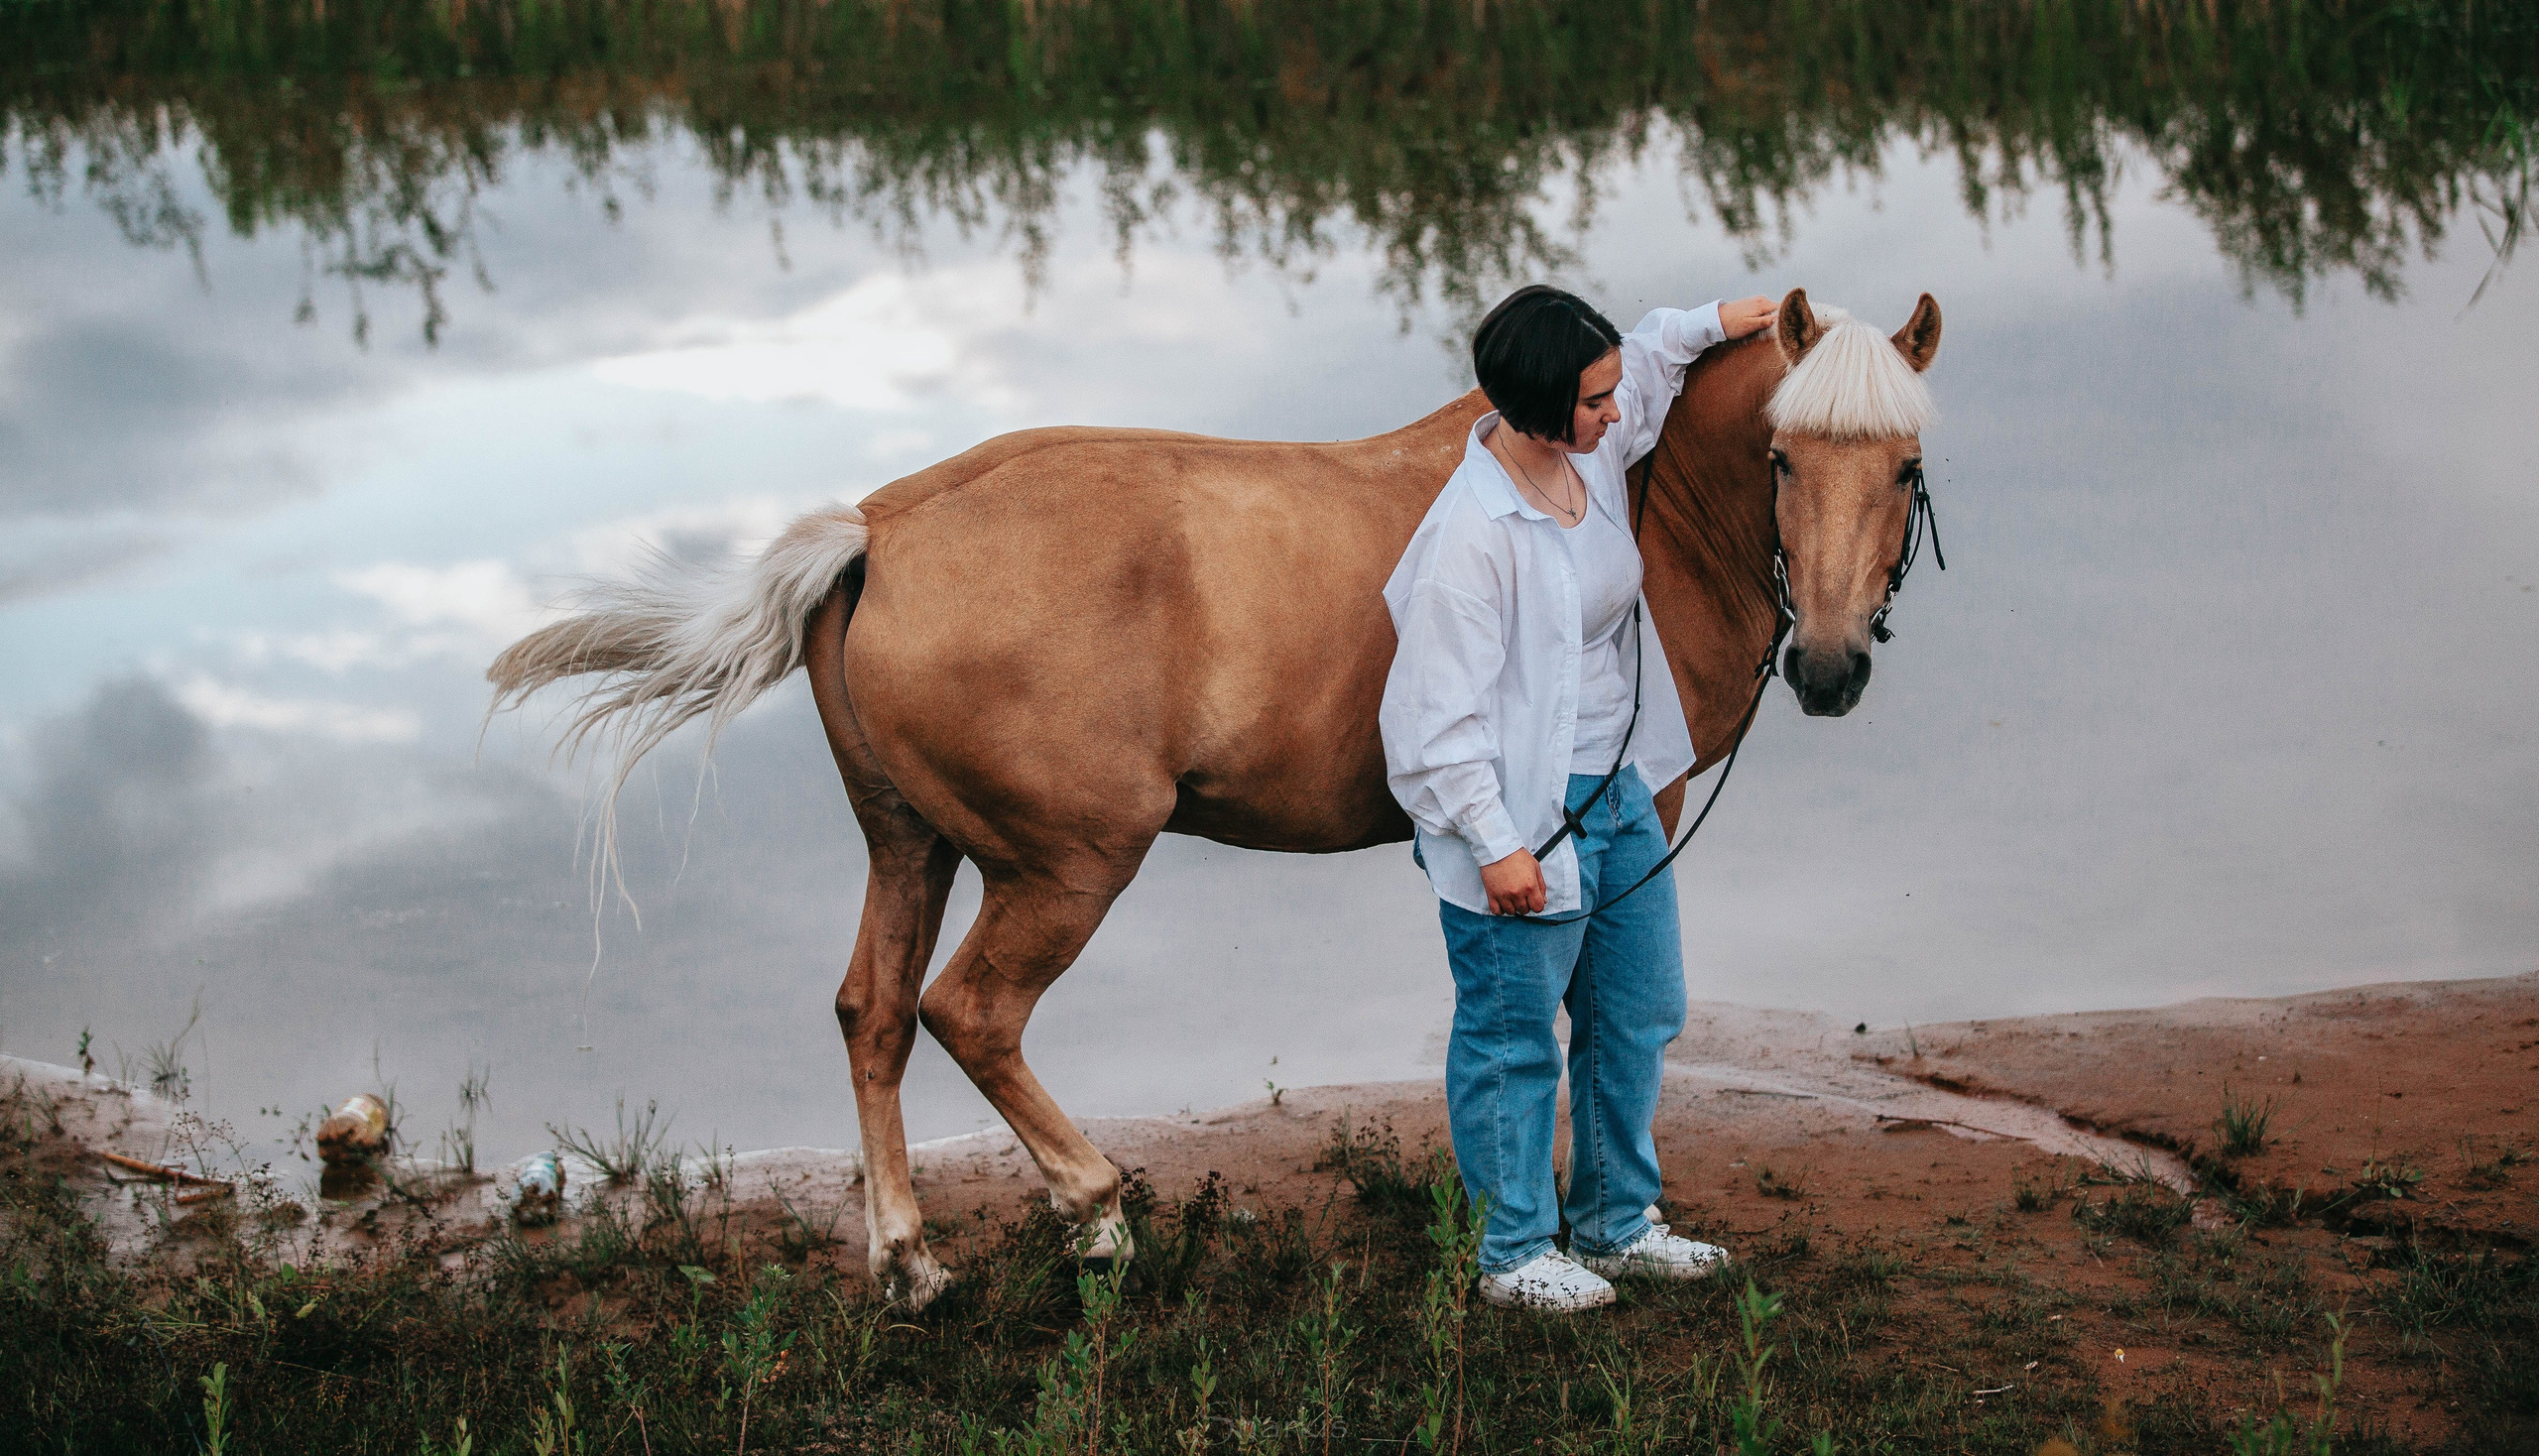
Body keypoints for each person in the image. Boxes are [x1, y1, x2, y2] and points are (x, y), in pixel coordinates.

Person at [1380, 284, 1778, 1312]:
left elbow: (1647, 360)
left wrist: (1719, 322)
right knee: (1513, 1037)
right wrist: (1496, 842)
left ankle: (1611, 1222)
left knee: (1638, 1006)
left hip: (1621, 783)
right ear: (1535, 406)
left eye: (1609, 397)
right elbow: (1435, 720)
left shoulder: (1588, 452)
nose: (1619, 416)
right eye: (1594, 401)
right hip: (1518, 810)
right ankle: (1512, 1252)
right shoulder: (1469, 535)